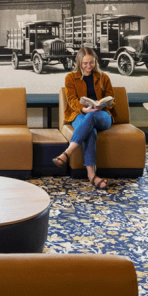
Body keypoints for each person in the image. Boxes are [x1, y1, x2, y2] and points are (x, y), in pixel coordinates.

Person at [53, 46, 114, 190]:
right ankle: (92, 176)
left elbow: (112, 98)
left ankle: (68, 152)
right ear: (79, 62)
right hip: (80, 114)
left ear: (95, 61)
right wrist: (84, 109)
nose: (89, 66)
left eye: (91, 63)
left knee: (92, 116)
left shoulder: (103, 77)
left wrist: (102, 105)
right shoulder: (70, 78)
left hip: (102, 115)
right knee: (90, 131)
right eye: (85, 63)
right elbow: (72, 100)